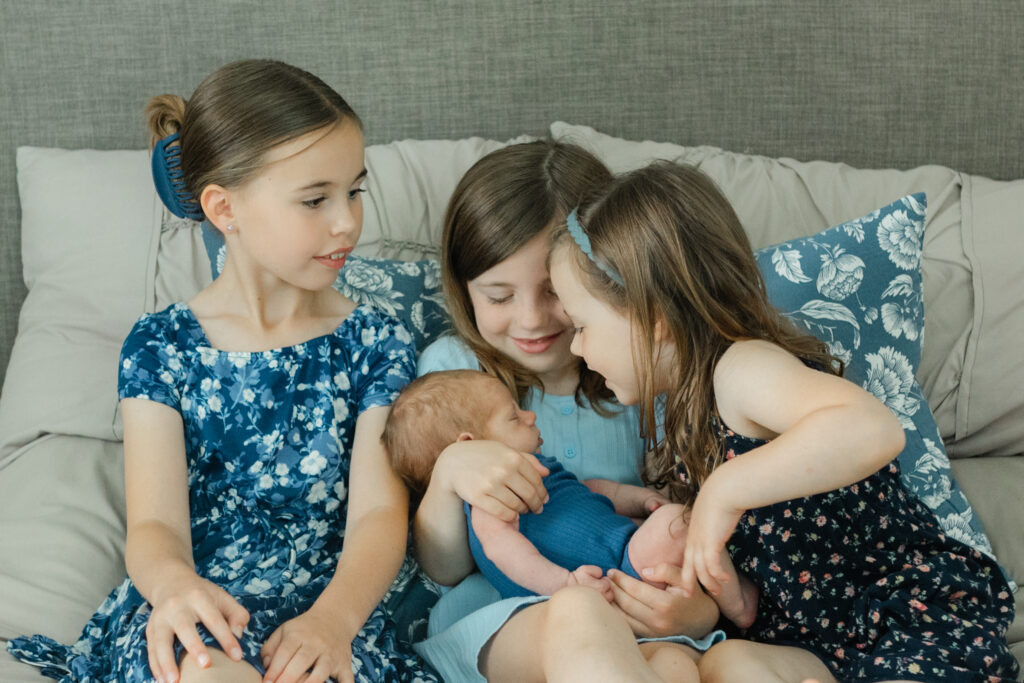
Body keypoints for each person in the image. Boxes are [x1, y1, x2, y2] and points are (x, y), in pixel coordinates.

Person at [6, 59, 437, 683]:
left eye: (355, 190)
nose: (346, 220)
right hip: (201, 605)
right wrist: (175, 585)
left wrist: (335, 622)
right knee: (207, 671)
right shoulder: (161, 347)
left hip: (331, 613)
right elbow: (154, 523)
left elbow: (376, 516)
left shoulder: (374, 342)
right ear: (223, 208)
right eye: (315, 199)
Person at [548, 159, 1021, 683]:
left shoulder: (742, 369)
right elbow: (751, 599)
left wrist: (723, 490)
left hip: (900, 620)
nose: (576, 347)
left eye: (582, 325)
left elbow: (874, 429)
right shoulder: (684, 418)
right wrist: (714, 599)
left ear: (654, 319)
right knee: (729, 662)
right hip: (816, 641)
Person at [409, 141, 725, 683]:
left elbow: (691, 527)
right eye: (499, 295)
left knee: (675, 665)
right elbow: (444, 568)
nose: (531, 320)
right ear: (464, 290)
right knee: (578, 618)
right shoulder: (454, 376)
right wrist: (448, 477)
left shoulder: (649, 376)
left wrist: (701, 611)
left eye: (554, 291)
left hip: (637, 609)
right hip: (505, 619)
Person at [384, 368, 760, 626]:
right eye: (513, 418)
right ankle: (738, 604)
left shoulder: (538, 468)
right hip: (597, 579)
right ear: (471, 446)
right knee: (680, 523)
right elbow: (506, 553)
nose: (530, 417)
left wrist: (637, 498)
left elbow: (589, 490)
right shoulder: (488, 499)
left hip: (619, 562)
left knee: (672, 526)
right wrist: (563, 586)